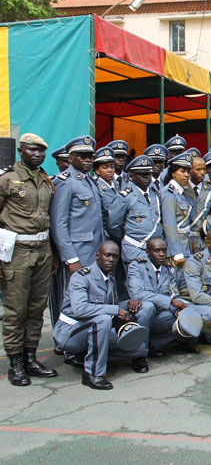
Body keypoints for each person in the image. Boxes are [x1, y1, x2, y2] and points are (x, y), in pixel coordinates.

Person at [0, 133, 57, 386]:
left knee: (36, 307)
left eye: (41, 151)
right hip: (17, 251)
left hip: (43, 248)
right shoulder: (8, 179)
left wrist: (53, 253)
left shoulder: (46, 180)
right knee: (15, 309)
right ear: (21, 151)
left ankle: (31, 357)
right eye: (32, 150)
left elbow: (49, 219)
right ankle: (16, 363)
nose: (38, 154)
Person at [53, 241, 148, 390]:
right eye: (107, 255)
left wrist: (128, 303)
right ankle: (93, 373)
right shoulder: (82, 277)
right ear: (98, 256)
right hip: (70, 332)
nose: (111, 260)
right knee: (102, 320)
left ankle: (87, 356)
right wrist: (116, 310)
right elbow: (80, 309)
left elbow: (113, 304)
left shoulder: (110, 278)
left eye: (115, 257)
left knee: (139, 349)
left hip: (95, 332)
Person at [127, 237, 200, 355]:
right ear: (147, 252)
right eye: (157, 251)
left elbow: (174, 294)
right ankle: (140, 354)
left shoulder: (170, 269)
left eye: (164, 251)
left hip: (161, 315)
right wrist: (170, 302)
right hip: (140, 315)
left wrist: (178, 311)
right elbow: (137, 294)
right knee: (148, 307)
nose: (161, 254)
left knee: (187, 314)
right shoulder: (137, 267)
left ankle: (155, 344)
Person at [50, 135, 105, 275]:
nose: (88, 160)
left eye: (90, 156)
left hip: (95, 250)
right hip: (77, 252)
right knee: (74, 294)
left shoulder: (90, 181)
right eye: (82, 156)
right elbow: (58, 224)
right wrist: (71, 258)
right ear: (70, 158)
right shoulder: (64, 182)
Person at [108, 155, 163, 267]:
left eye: (148, 174)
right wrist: (127, 239)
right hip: (135, 249)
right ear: (132, 176)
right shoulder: (125, 197)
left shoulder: (156, 194)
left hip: (155, 252)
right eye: (142, 174)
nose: (146, 177)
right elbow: (113, 225)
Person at [92, 147, 117, 215]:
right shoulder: (95, 187)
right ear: (97, 170)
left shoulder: (116, 184)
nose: (110, 170)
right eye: (105, 167)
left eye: (112, 167)